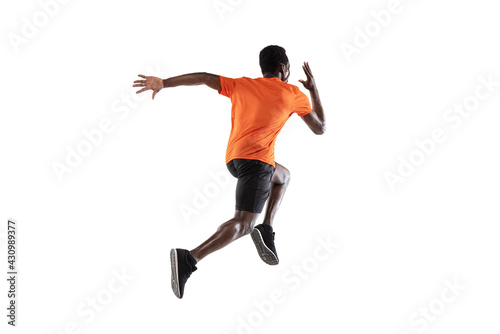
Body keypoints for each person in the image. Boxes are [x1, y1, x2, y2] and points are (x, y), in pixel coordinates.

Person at [133, 45, 325, 298]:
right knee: (243, 225)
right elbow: (320, 127)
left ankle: (266, 228)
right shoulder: (293, 93)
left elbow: (203, 77)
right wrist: (314, 90)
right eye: (287, 67)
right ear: (282, 68)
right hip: (257, 163)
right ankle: (189, 258)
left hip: (235, 159)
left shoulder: (241, 85)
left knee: (284, 176)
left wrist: (165, 83)